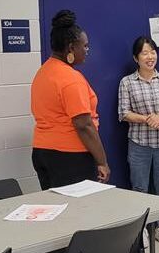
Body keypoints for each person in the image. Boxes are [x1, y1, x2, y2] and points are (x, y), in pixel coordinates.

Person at [31, 10, 110, 190]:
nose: (87, 50)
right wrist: (102, 161)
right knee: (79, 213)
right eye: (85, 46)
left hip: (42, 153)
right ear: (71, 48)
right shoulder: (70, 78)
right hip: (70, 158)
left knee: (57, 210)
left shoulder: (43, 72)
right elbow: (83, 125)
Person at [118, 36, 159, 246]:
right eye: (145, 53)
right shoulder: (127, 82)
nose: (150, 56)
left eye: (152, 52)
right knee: (139, 188)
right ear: (136, 58)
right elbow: (124, 113)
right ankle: (142, 229)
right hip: (139, 144)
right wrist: (147, 119)